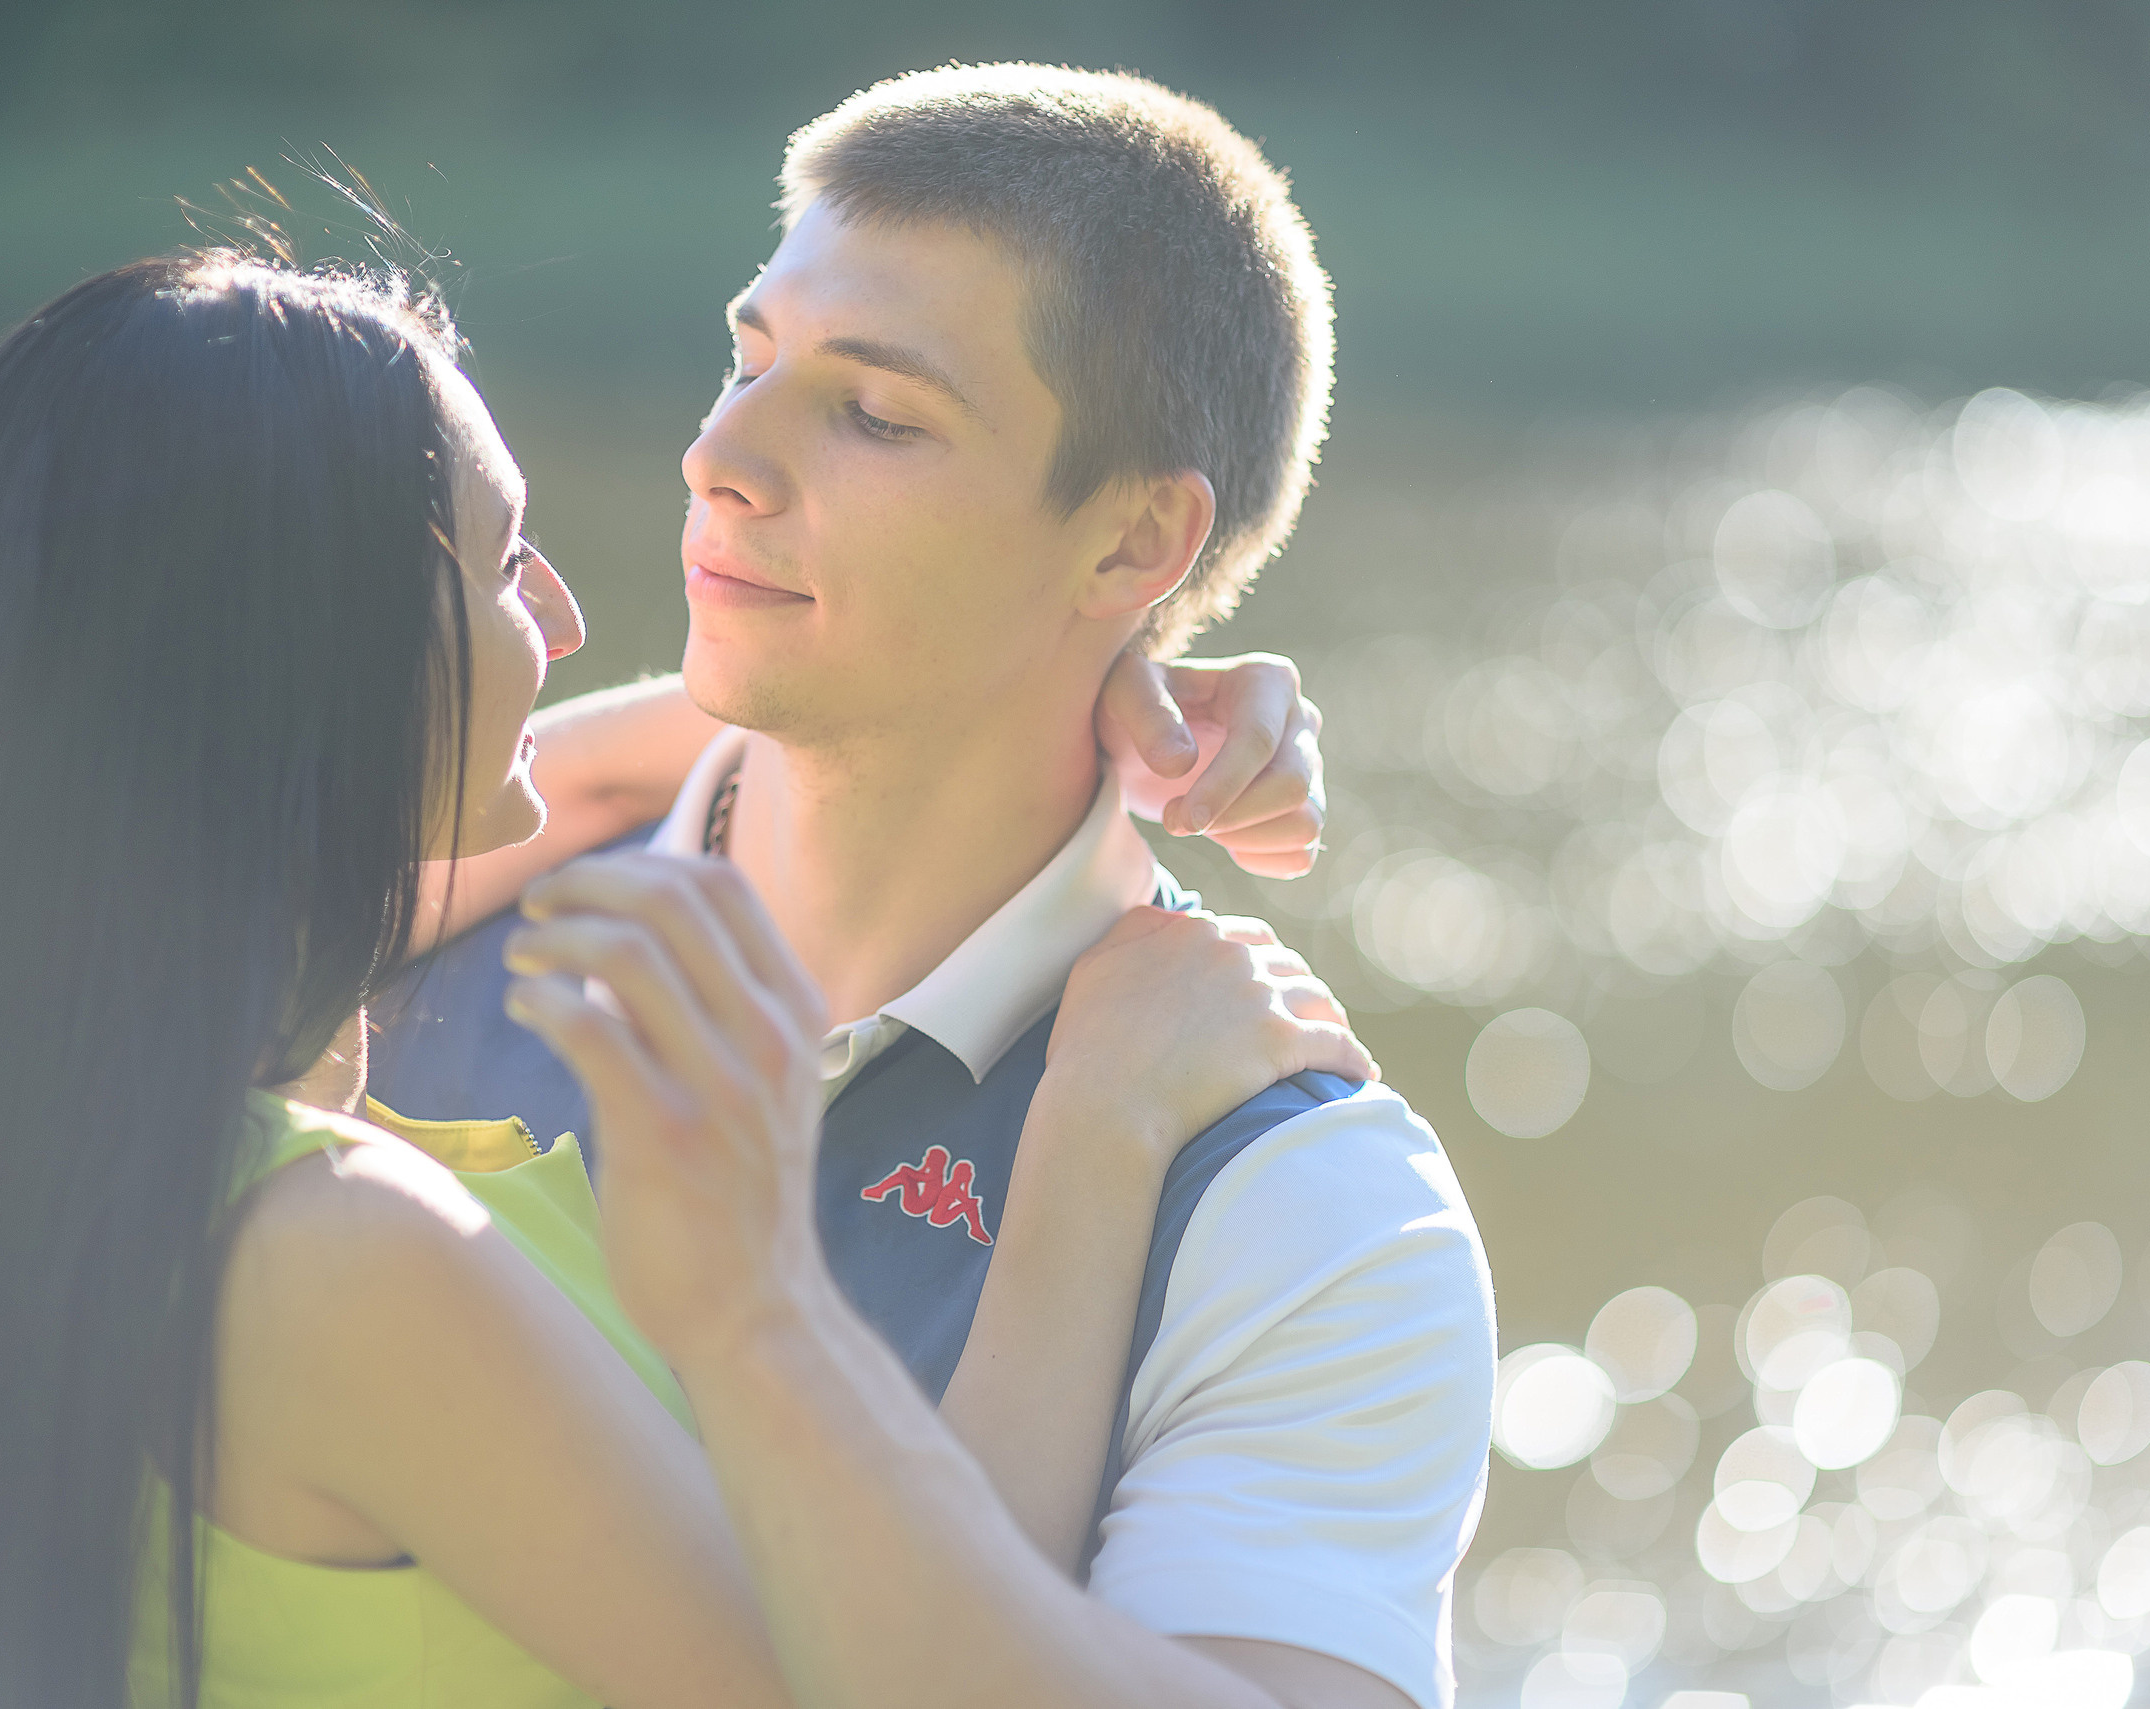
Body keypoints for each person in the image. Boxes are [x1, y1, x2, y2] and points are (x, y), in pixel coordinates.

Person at [0, 250, 1368, 1708]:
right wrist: (1100, 1120)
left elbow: (577, 765)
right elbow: (908, 1664)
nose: (574, 619)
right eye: (510, 565)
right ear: (327, 650)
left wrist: (1057, 657)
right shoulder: (343, 1267)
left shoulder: (16, 1116)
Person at [382, 63, 1497, 1709]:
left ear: (1131, 547)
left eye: (877, 413)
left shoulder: (1300, 1208)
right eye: (747, 357)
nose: (719, 455)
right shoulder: (420, 900)